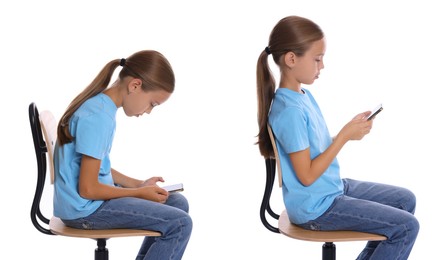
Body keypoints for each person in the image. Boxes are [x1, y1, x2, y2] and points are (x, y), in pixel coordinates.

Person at [256, 16, 419, 259]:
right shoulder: (289, 111)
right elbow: (307, 175)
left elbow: (311, 149)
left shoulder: (302, 96)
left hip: (329, 189)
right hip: (316, 207)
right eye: (317, 59)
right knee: (406, 227)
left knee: (405, 200)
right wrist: (343, 137)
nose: (322, 66)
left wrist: (349, 131)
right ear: (291, 59)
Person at [54, 50, 192, 260]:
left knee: (177, 202)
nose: (148, 111)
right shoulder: (99, 117)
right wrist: (138, 193)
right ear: (135, 85)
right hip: (85, 210)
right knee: (180, 224)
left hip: (85, 204)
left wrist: (139, 185)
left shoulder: (101, 107)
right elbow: (88, 188)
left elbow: (97, 167)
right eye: (153, 104)